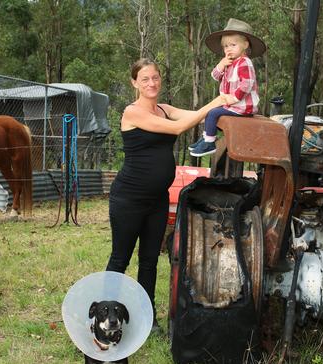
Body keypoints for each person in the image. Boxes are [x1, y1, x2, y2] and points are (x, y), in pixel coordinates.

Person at [106, 58, 225, 332]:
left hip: (157, 200)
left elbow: (197, 116)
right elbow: (177, 128)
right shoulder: (132, 112)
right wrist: (216, 102)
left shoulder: (165, 109)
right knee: (120, 258)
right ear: (134, 82)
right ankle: (106, 317)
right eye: (145, 79)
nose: (151, 83)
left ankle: (147, 319)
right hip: (129, 198)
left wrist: (225, 103)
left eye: (155, 78)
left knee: (149, 260)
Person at [189, 18, 267, 157]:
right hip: (231, 104)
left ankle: (209, 143)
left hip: (242, 106)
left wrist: (233, 98)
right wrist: (221, 64)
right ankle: (207, 137)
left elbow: (246, 83)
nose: (228, 49)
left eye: (233, 45)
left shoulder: (244, 62)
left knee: (212, 113)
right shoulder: (230, 63)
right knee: (210, 111)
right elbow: (214, 75)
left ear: (245, 45)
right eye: (226, 46)